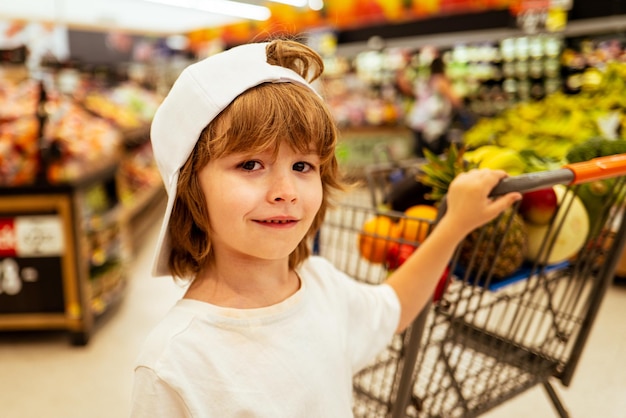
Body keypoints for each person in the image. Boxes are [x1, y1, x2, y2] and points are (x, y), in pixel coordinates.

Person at [130, 39, 521, 417]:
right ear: (190, 187)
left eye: (302, 166)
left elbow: (393, 307)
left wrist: (453, 225)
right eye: (250, 165)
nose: (285, 192)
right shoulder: (173, 364)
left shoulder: (322, 286)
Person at [401, 50, 464, 158]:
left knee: (422, 156)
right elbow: (456, 101)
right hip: (434, 127)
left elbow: (407, 89)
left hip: (418, 123)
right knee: (437, 158)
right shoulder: (440, 80)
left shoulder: (424, 81)